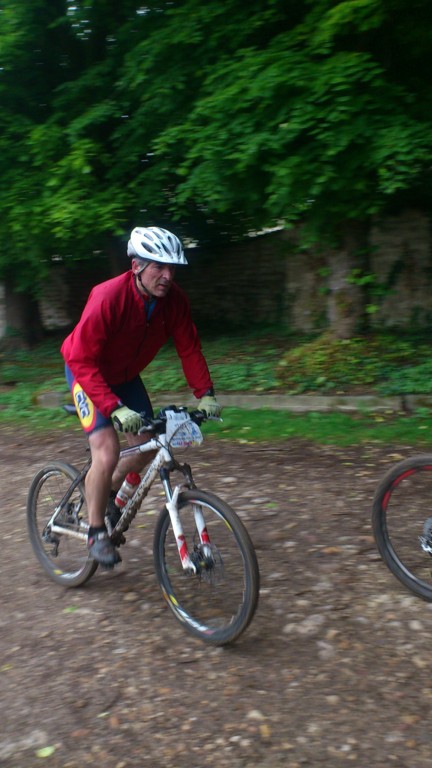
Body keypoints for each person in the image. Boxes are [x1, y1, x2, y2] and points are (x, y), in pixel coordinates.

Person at [61, 226, 221, 568]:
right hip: (86, 371)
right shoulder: (108, 297)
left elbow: (189, 348)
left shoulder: (174, 301)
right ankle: (95, 533)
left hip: (125, 377)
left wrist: (205, 394)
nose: (167, 276)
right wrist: (113, 407)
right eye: (158, 267)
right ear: (136, 266)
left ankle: (108, 495)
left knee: (149, 445)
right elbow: (81, 358)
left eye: (172, 268)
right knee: (107, 451)